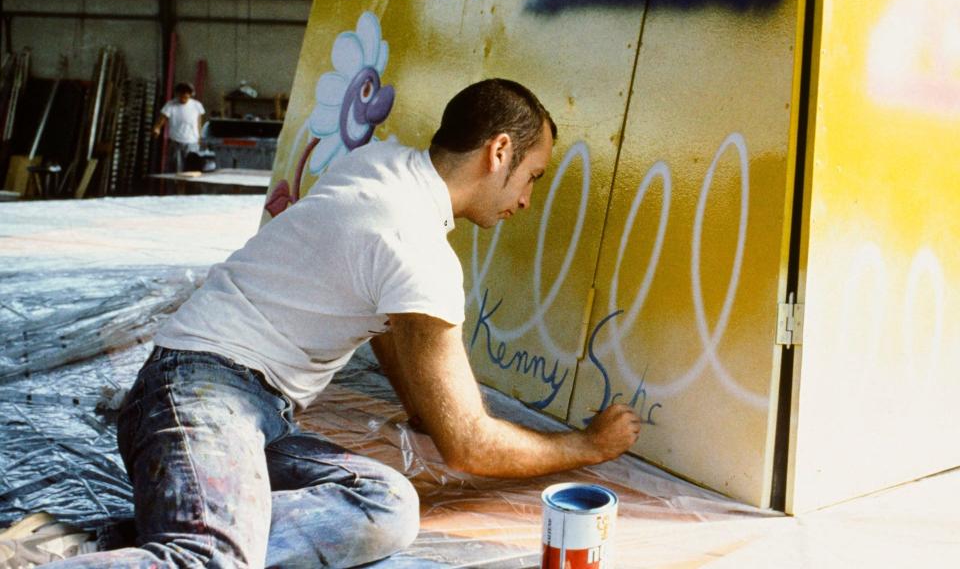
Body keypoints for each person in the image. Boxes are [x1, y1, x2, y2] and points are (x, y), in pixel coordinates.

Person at [49, 79, 641, 568]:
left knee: (385, 505)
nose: (527, 200)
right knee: (211, 561)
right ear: (500, 152)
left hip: (234, 404)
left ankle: (116, 546)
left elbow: (381, 318)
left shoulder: (379, 164)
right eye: (533, 176)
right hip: (199, 395)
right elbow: (468, 445)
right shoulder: (418, 249)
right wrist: (587, 446)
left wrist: (419, 403)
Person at [152, 82, 205, 173]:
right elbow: (162, 118)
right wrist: (157, 128)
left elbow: (198, 122)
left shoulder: (197, 105)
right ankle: (174, 187)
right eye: (181, 95)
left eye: (186, 95)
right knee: (175, 170)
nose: (184, 97)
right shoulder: (170, 105)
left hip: (192, 142)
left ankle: (188, 187)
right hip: (176, 142)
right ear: (177, 94)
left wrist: (200, 137)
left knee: (191, 170)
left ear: (190, 95)